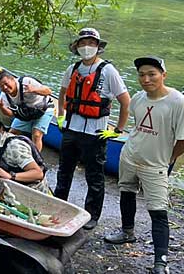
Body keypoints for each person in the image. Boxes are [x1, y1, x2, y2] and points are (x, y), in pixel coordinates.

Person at [104, 57, 184, 274]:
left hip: (156, 165)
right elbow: (137, 125)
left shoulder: (178, 103)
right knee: (126, 192)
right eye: (142, 74)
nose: (146, 79)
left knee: (158, 211)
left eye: (152, 74)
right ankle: (127, 232)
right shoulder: (138, 99)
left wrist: (168, 158)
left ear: (163, 74)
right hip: (130, 156)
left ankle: (160, 265)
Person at [54, 28, 130, 230]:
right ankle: (58, 205)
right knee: (64, 171)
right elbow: (62, 94)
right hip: (71, 128)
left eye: (91, 43)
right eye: (82, 43)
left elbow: (125, 101)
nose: (86, 47)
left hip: (95, 133)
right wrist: (61, 117)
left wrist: (118, 130)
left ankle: (92, 215)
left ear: (98, 47)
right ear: (77, 47)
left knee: (94, 176)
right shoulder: (73, 69)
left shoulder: (108, 71)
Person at [0, 70, 54, 151]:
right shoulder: (4, 96)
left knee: (36, 134)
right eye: (1, 86)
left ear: (12, 79)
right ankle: (8, 153)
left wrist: (34, 90)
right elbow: (10, 114)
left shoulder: (26, 81)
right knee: (12, 133)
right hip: (26, 112)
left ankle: (36, 159)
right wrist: (1, 107)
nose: (5, 88)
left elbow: (48, 91)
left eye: (6, 83)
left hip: (44, 109)